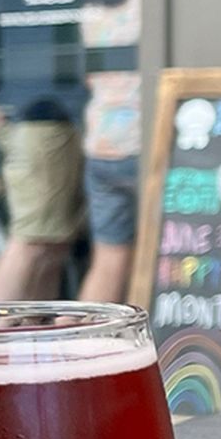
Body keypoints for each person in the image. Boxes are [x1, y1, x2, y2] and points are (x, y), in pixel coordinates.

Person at [0, 97, 84, 301]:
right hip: (50, 130)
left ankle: (20, 320)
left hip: (44, 129)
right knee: (35, 243)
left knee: (43, 246)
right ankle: (8, 320)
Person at [78, 66, 141, 303]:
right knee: (160, 254)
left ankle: (84, 337)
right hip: (144, 140)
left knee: (108, 257)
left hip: (101, 145)